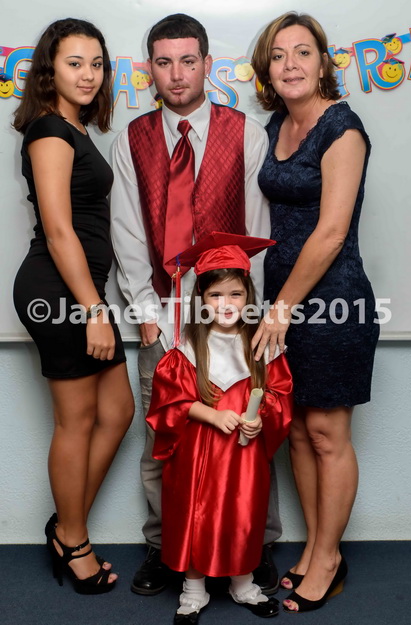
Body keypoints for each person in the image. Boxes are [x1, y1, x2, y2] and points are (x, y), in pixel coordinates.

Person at [111, 13, 281, 596]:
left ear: (207, 64)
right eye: (164, 62)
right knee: (164, 440)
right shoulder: (132, 139)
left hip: (233, 319)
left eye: (188, 61)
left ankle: (256, 545)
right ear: (149, 69)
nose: (177, 74)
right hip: (164, 320)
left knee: (250, 433)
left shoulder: (246, 133)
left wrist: (250, 316)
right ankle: (166, 549)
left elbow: (258, 231)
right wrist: (146, 316)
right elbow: (127, 232)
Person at [251, 11, 380, 612]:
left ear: (323, 61)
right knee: (298, 432)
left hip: (332, 302)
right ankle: (311, 548)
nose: (291, 64)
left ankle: (329, 558)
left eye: (303, 52)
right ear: (267, 69)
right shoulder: (276, 124)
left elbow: (330, 233)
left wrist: (280, 310)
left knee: (328, 434)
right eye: (279, 55)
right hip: (282, 304)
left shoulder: (342, 128)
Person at [13, 18, 134, 594]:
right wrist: (93, 310)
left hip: (79, 291)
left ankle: (66, 528)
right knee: (78, 420)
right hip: (59, 292)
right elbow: (59, 231)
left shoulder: (74, 127)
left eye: (97, 64)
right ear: (49, 70)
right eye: (74, 63)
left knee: (118, 412)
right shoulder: (48, 131)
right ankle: (75, 543)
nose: (88, 75)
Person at [146, 232, 293, 624]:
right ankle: (193, 590)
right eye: (215, 295)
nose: (226, 304)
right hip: (197, 455)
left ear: (249, 296)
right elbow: (169, 402)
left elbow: (279, 393)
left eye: (235, 294)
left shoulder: (262, 345)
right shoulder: (187, 347)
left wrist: (261, 417)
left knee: (243, 515)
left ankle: (242, 583)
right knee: (195, 514)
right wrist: (212, 415)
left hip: (244, 458)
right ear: (200, 298)